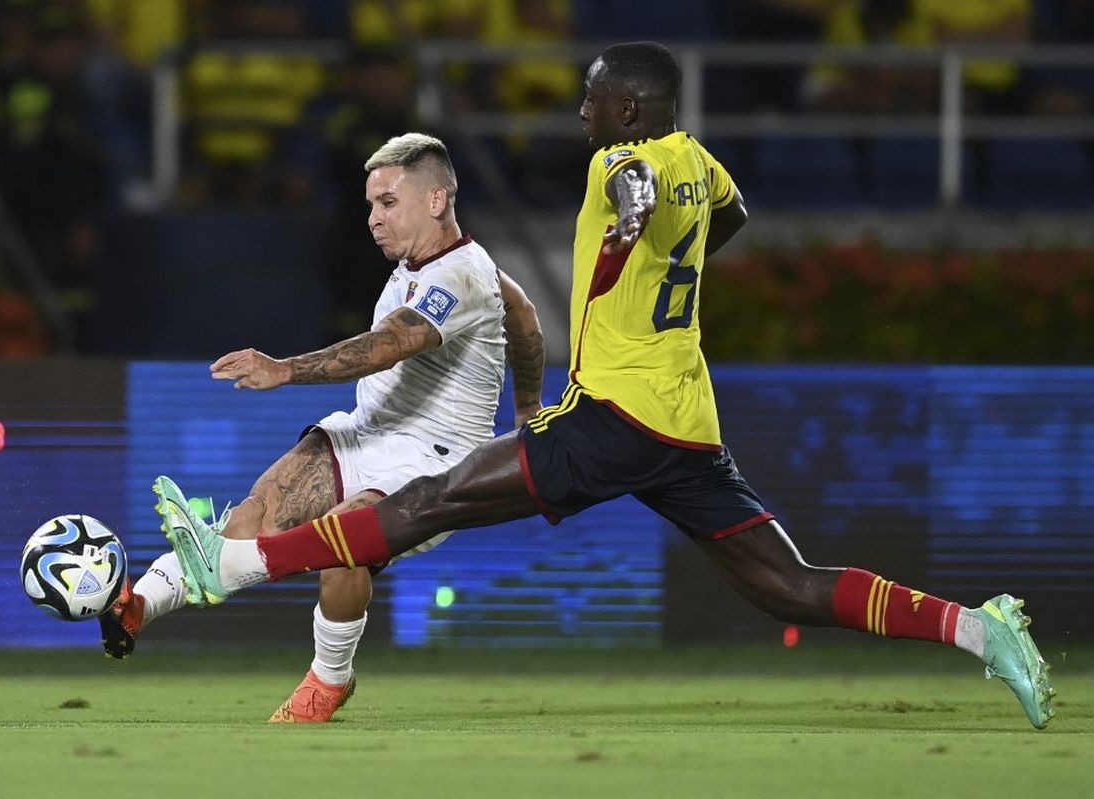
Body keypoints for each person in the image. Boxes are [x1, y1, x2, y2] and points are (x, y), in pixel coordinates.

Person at [159, 42, 1056, 730]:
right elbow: (733, 215)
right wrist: (663, 261)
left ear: (626, 106)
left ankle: (232, 560)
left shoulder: (617, 161)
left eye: (592, 95)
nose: (581, 108)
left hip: (616, 413)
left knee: (426, 502)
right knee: (789, 586)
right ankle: (981, 630)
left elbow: (630, 183)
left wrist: (632, 225)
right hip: (686, 424)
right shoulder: (702, 163)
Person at [102, 132, 545, 724]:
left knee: (344, 547)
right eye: (369, 204)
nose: (373, 218)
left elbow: (392, 345)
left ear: (436, 200)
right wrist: (528, 413)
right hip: (365, 431)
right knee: (251, 518)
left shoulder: (460, 275)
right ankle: (139, 606)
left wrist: (285, 369)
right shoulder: (446, 266)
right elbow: (526, 318)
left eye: (387, 202)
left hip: (431, 465)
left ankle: (329, 680)